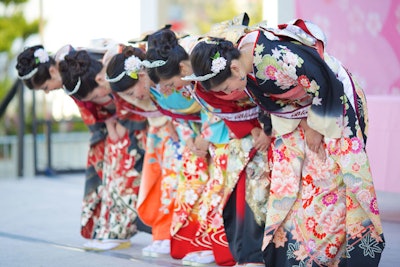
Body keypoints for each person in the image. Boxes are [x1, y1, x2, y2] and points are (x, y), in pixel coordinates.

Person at [186, 19, 385, 266]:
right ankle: (297, 254)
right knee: (287, 182)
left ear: (235, 69)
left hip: (333, 106)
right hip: (298, 117)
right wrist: (299, 123)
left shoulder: (273, 55)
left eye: (227, 87)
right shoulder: (243, 64)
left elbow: (324, 81)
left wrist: (316, 126)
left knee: (332, 183)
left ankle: (337, 255)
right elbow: (271, 103)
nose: (230, 94)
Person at [144, 27, 239, 266]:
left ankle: (214, 242)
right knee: (189, 179)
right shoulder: (178, 70)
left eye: (171, 83)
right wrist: (189, 137)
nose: (170, 89)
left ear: (183, 69)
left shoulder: (198, 60)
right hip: (201, 132)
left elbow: (218, 101)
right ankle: (190, 238)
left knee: (219, 186)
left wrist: (205, 137)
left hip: (228, 130)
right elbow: (178, 111)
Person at [105, 45, 182, 257]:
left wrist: (172, 121)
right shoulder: (146, 89)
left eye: (131, 92)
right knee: (157, 182)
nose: (134, 98)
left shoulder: (163, 79)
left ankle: (172, 234)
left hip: (180, 131)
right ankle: (161, 233)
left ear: (141, 74)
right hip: (159, 131)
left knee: (173, 182)